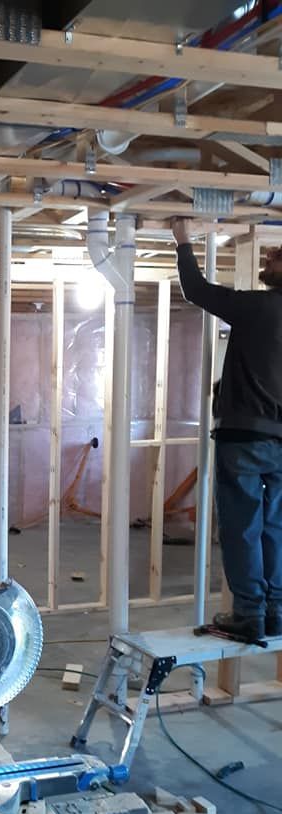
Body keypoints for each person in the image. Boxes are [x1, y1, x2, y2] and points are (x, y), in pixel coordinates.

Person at [172, 218, 282, 641]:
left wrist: (182, 240)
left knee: (241, 525)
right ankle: (275, 610)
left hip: (246, 437)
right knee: (275, 526)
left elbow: (195, 290)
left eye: (277, 255)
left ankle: (250, 614)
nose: (269, 255)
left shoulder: (261, 307)